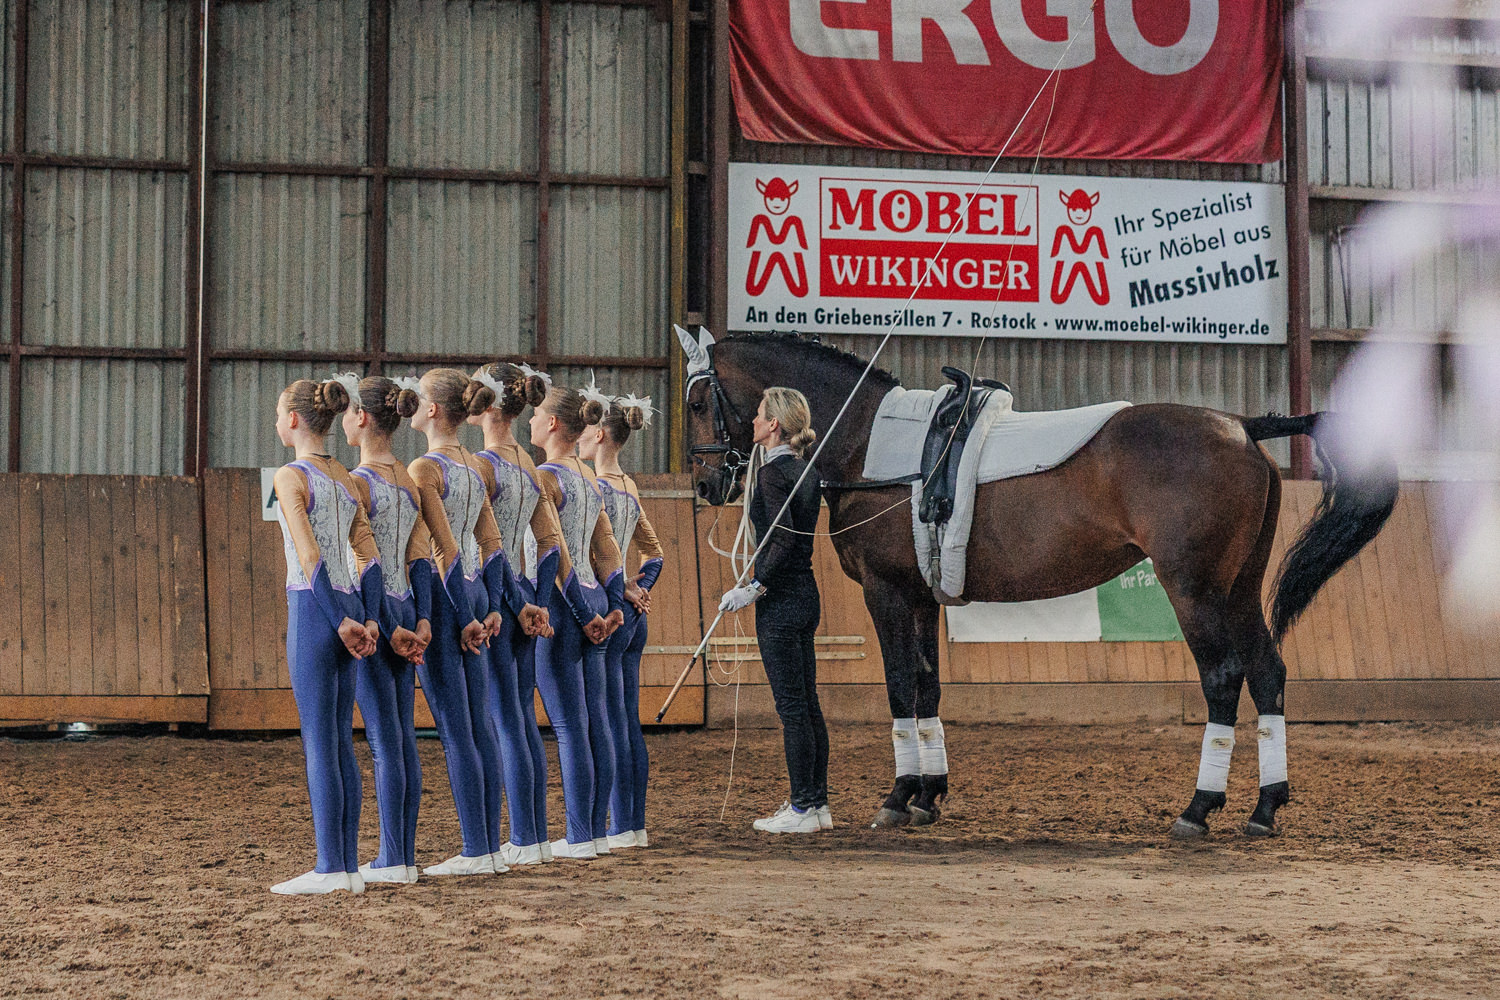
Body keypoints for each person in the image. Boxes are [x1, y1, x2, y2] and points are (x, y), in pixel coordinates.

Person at [408, 369, 550, 876]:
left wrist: (472, 615)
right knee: (482, 727)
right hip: (480, 592)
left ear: (432, 410)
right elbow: (493, 546)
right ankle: (489, 845)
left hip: (450, 604)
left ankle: (477, 848)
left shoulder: (426, 468)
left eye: (420, 398)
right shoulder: (472, 465)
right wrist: (494, 604)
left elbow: (444, 549)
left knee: (459, 729)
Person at [269, 378, 382, 894]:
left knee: (321, 741)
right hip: (354, 606)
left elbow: (308, 554)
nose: (276, 421)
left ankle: (330, 867)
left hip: (316, 611)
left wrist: (339, 619)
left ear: (293, 420)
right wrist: (370, 616)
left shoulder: (291, 477)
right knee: (341, 740)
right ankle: (348, 867)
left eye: (277, 413)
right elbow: (371, 556)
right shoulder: (346, 476)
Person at [469, 361, 571, 865]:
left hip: (500, 600)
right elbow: (550, 542)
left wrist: (511, 601)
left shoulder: (483, 465)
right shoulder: (529, 467)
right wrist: (539, 602)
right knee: (521, 719)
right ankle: (535, 834)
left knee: (505, 720)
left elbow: (490, 548)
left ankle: (527, 837)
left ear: (488, 405)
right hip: (526, 597)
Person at [718, 387, 831, 834]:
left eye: (759, 415)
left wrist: (753, 586)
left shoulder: (771, 475)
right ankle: (817, 803)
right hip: (806, 595)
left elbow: (781, 542)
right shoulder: (807, 471)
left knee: (792, 709)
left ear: (774, 426)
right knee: (808, 706)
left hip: (781, 602)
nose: (752, 422)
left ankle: (803, 806)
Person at [338, 374, 431, 886]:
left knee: (383, 742)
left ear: (364, 418)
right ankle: (405, 854)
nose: (345, 420)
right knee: (401, 740)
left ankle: (393, 858)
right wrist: (420, 622)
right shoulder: (408, 482)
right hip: (409, 610)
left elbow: (367, 562)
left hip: (378, 615)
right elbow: (420, 562)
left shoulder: (358, 482)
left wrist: (384, 625)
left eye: (350, 411)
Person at [530, 384, 627, 859]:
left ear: (552, 424)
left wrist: (586, 613)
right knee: (597, 723)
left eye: (536, 415)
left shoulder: (546, 475)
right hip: (596, 599)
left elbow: (559, 551)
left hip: (566, 605)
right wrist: (612, 606)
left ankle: (578, 836)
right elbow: (606, 549)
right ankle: (597, 832)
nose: (530, 421)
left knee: (569, 727)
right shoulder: (590, 478)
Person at [578, 392, 664, 849]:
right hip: (633, 614)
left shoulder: (596, 486)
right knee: (628, 720)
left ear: (597, 434)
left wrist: (623, 588)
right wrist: (641, 586)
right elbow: (655, 552)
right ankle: (633, 823)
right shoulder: (628, 486)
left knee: (607, 722)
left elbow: (594, 552)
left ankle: (615, 826)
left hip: (610, 611)